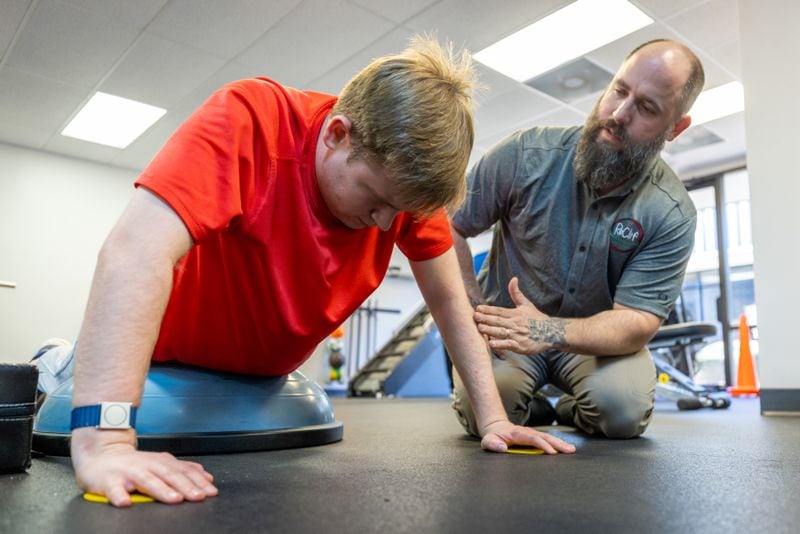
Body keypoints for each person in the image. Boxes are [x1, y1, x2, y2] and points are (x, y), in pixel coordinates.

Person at [63, 36, 575, 508]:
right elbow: (135, 252)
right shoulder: (250, 118)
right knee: (66, 377)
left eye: (400, 213)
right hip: (166, 362)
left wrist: (493, 418)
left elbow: (448, 302)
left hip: (266, 380)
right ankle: (59, 361)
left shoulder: (402, 191)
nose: (386, 225)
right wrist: (105, 442)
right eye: (375, 200)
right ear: (336, 134)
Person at [449, 39, 704, 440]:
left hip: (594, 342)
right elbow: (447, 225)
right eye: (619, 90)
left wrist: (547, 331)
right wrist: (473, 310)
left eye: (647, 108)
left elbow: (637, 322)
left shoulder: (670, 212)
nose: (619, 113)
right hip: (507, 328)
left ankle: (569, 408)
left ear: (675, 128)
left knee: (621, 412)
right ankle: (528, 409)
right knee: (485, 408)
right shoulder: (524, 154)